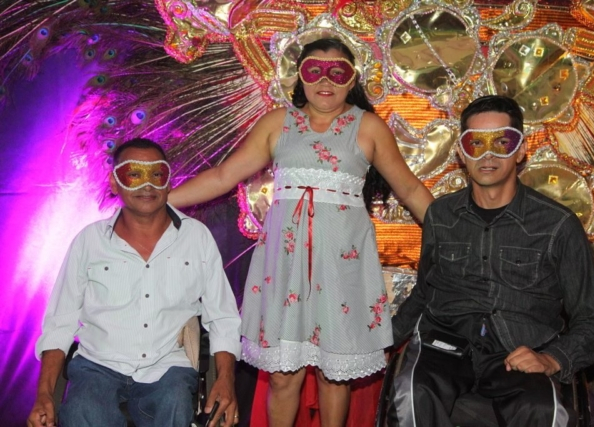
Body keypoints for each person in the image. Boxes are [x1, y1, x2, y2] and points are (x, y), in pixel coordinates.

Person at [168, 38, 434, 426]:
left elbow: (409, 189)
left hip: (340, 268)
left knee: (333, 376)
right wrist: (159, 200)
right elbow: (224, 175)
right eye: (315, 71)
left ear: (352, 79)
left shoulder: (368, 127)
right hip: (285, 267)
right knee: (282, 376)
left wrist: (455, 230)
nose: (325, 81)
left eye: (337, 72)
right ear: (300, 76)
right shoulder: (277, 123)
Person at [388, 95, 594, 426]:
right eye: (476, 143)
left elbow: (592, 320)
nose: (488, 154)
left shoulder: (558, 225)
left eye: (502, 142)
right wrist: (380, 342)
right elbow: (424, 292)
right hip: (445, 346)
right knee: (413, 395)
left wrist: (553, 359)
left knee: (543, 411)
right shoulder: (441, 215)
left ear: (521, 150)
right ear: (461, 152)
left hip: (519, 349)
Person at [27, 138, 242, 427]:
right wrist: (44, 394)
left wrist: (226, 381)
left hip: (168, 368)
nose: (147, 185)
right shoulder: (89, 241)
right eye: (134, 174)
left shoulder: (197, 238)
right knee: (83, 410)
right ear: (114, 183)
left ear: (169, 182)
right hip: (97, 365)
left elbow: (223, 318)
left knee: (175, 402)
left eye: (157, 174)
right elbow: (59, 323)